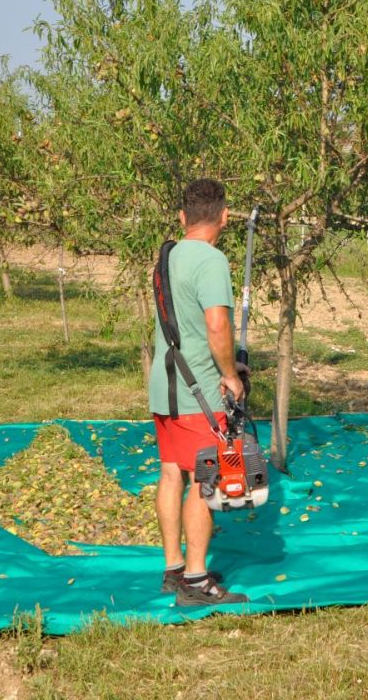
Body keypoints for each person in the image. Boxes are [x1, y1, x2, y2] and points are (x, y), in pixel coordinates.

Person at [149, 178, 249, 605]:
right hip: (198, 393)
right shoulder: (212, 261)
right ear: (224, 217)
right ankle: (194, 580)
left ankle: (173, 567)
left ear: (182, 217)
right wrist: (230, 373)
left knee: (172, 471)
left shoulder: (165, 256)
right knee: (203, 479)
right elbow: (216, 325)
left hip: (163, 385)